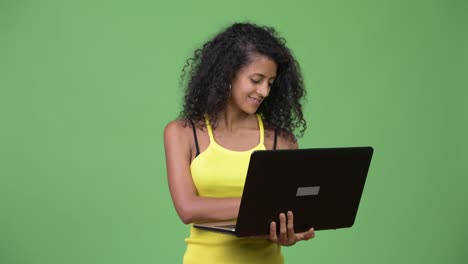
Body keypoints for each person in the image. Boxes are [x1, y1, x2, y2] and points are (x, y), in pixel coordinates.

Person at [163, 22, 315, 264]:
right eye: (256, 80)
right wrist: (265, 204)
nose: (264, 91)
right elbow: (188, 208)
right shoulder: (182, 133)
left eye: (270, 83)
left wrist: (285, 233)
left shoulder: (281, 141)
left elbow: (284, 210)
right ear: (227, 73)